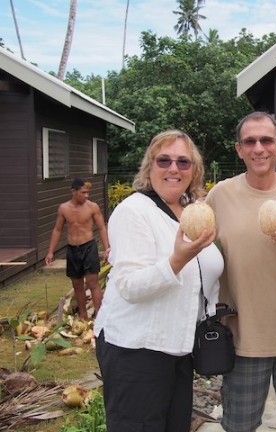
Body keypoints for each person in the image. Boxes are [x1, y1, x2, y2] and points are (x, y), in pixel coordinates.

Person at [94, 130, 223, 432]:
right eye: (164, 160)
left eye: (183, 162)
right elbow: (130, 286)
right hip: (137, 349)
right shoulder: (133, 211)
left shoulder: (191, 212)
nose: (173, 168)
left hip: (177, 348)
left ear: (195, 170)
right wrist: (178, 259)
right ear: (149, 166)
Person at [205, 112, 276, 432]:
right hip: (241, 335)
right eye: (250, 141)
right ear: (238, 149)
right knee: (239, 425)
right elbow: (203, 254)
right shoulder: (220, 195)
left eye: (266, 140)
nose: (259, 148)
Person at [45, 178, 111, 320]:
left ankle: (100, 316)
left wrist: (107, 249)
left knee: (93, 282)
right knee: (77, 284)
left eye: (87, 192)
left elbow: (101, 228)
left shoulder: (92, 207)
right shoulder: (64, 208)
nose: (86, 195)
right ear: (73, 192)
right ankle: (83, 316)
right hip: (73, 249)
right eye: (83, 192)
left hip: (89, 247)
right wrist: (50, 251)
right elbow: (57, 230)